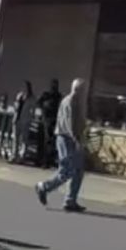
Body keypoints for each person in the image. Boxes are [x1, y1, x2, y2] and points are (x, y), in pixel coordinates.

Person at [34, 78, 86, 212]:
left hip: (72, 138)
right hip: (66, 138)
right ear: (77, 89)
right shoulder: (70, 101)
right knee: (67, 170)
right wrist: (76, 139)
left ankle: (70, 201)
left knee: (78, 170)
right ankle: (43, 187)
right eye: (83, 88)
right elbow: (70, 123)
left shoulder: (75, 101)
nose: (84, 91)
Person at [36, 79, 63, 168]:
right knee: (45, 140)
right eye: (53, 85)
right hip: (46, 120)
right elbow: (38, 103)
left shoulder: (58, 96)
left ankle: (48, 160)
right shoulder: (46, 95)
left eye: (55, 85)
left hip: (54, 120)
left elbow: (61, 107)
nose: (54, 87)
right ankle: (43, 160)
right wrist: (43, 110)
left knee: (51, 141)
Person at [11, 81, 34, 163]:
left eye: (25, 87)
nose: (23, 88)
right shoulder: (19, 96)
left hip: (25, 120)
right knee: (15, 138)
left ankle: (22, 156)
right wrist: (17, 101)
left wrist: (30, 118)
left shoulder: (31, 98)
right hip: (17, 119)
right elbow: (15, 107)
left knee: (24, 140)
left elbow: (33, 109)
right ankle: (14, 155)